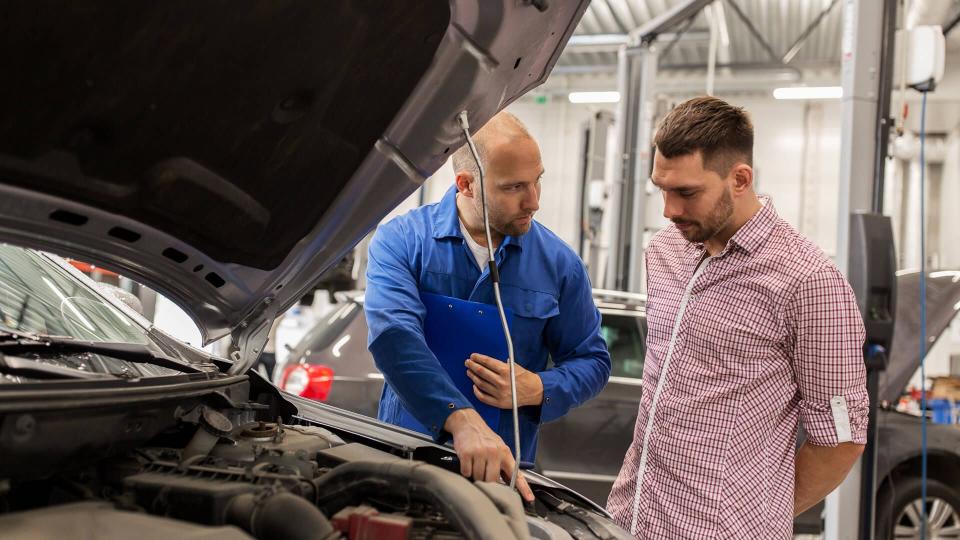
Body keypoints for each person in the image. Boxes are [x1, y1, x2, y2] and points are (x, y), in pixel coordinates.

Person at [606, 96, 868, 538]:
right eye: (662, 189)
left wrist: (756, 519)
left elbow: (841, 439)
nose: (669, 210)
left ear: (740, 179)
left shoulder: (808, 281)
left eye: (687, 193)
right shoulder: (666, 250)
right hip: (633, 519)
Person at [364, 111, 611, 501]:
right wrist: (460, 420)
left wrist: (539, 387)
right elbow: (394, 337)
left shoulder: (560, 265)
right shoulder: (403, 241)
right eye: (514, 187)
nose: (534, 201)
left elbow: (593, 361)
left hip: (502, 476)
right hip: (405, 456)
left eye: (537, 181)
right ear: (466, 184)